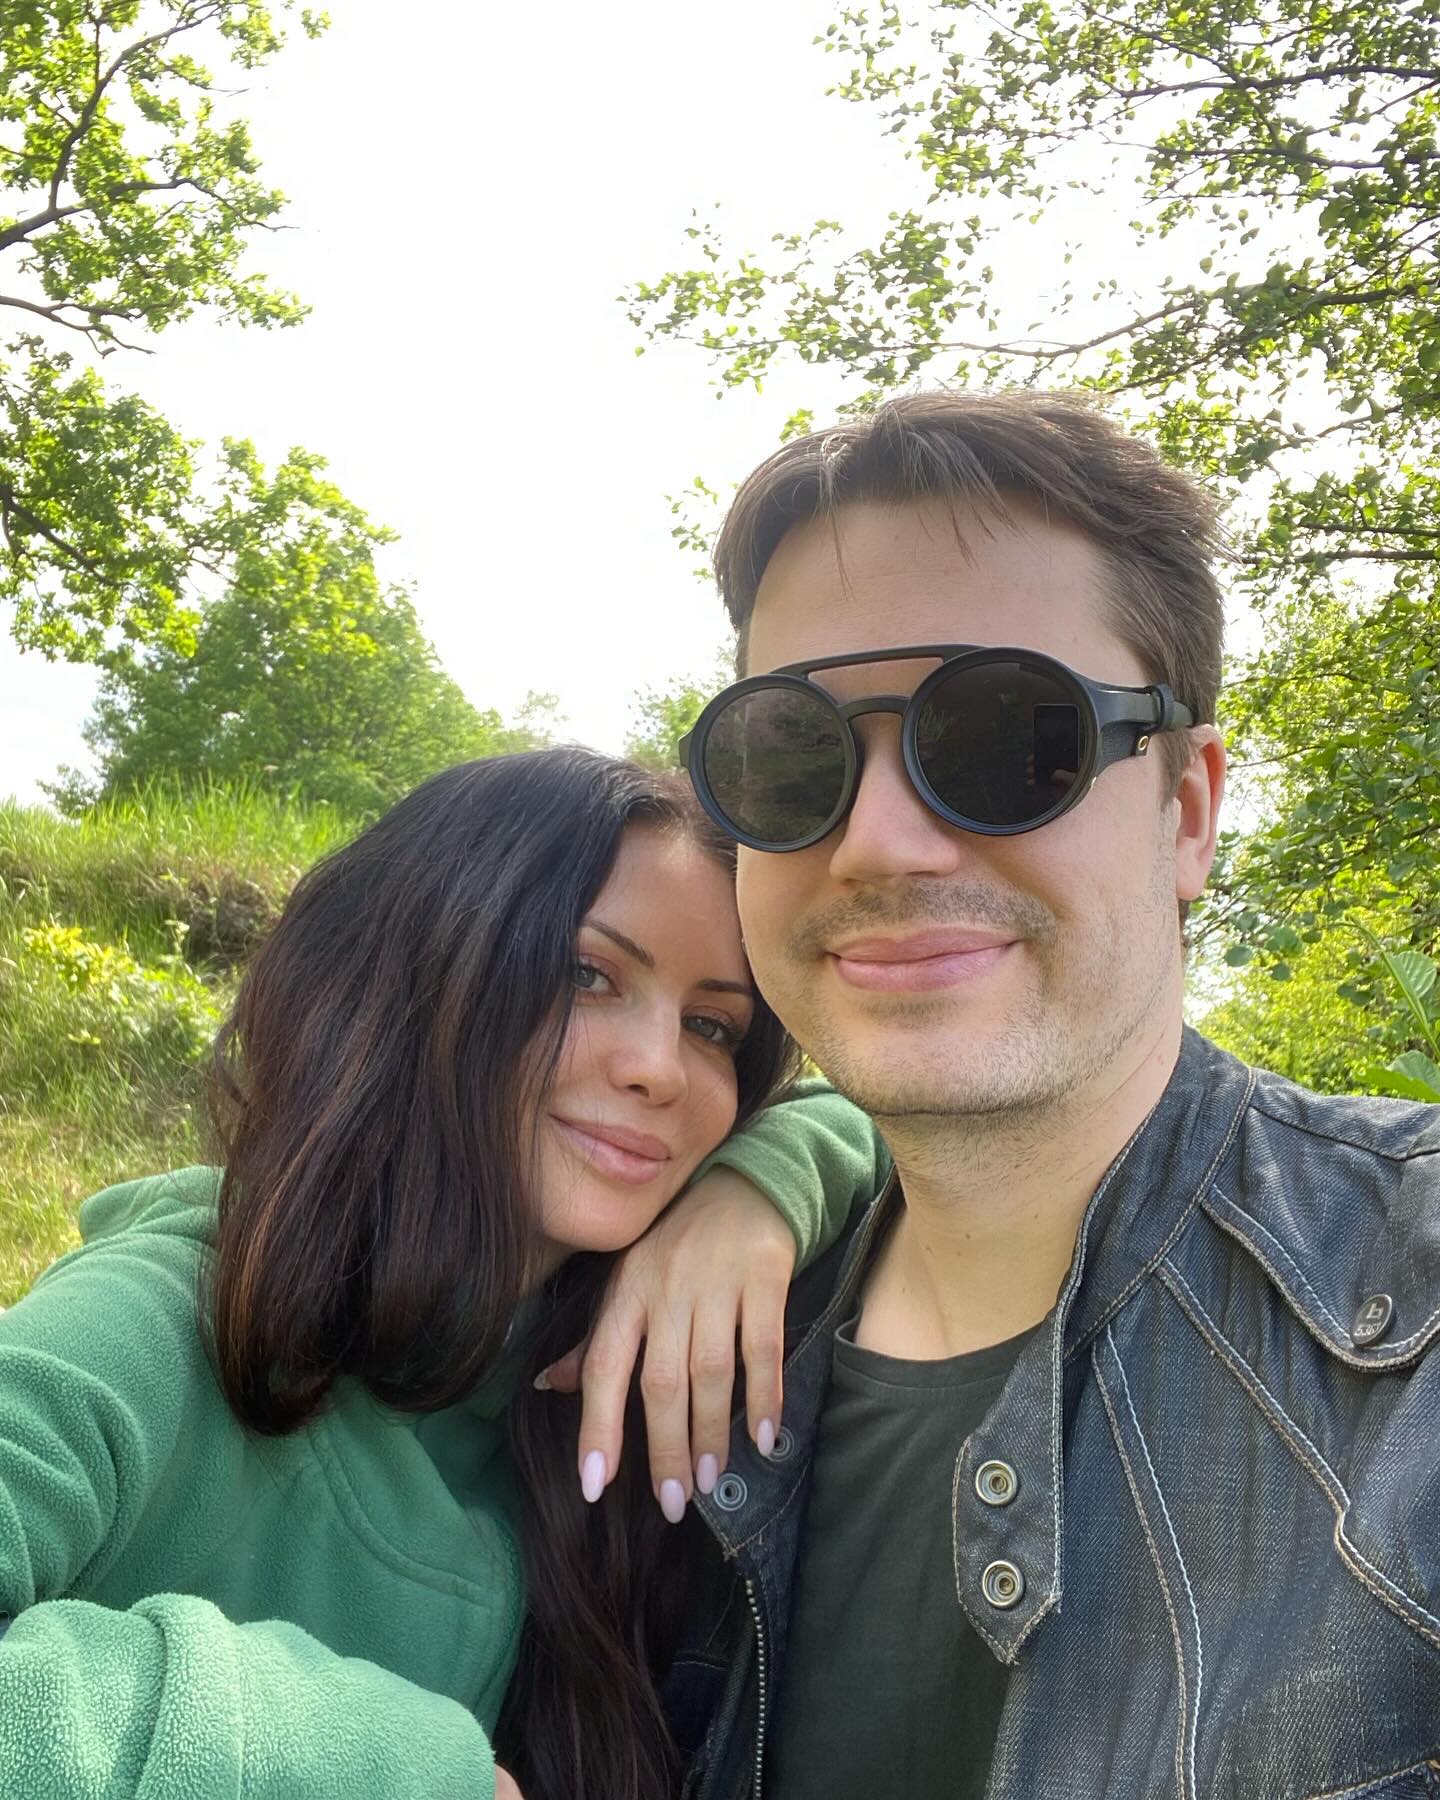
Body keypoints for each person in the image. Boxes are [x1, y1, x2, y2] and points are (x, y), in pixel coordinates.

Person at [574, 392, 1440, 1798]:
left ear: (1189, 811)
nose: (878, 840)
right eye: (791, 755)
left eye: (1004, 739)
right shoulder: (645, 1341)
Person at [0, 748, 878, 1800]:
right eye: (586, 975)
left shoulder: (576, 1389)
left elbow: (899, 1104)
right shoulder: (150, 1324)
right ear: (422, 970)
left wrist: (757, 1191)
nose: (658, 1066)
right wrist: (381, 1769)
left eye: (711, 1026)